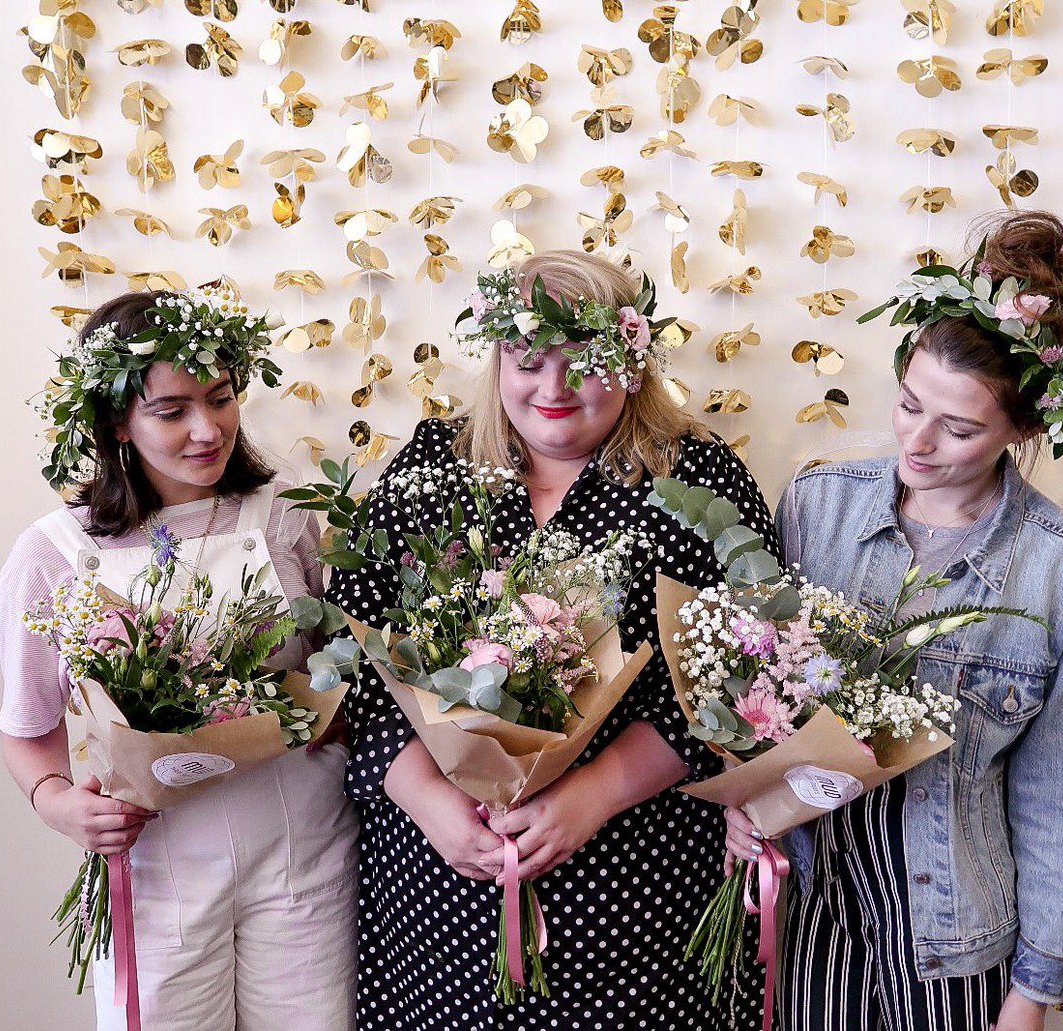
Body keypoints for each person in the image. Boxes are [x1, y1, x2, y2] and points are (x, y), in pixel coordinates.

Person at [326, 250, 782, 1029]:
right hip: (440, 891)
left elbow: (742, 677)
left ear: (633, 363)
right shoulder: (433, 463)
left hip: (635, 884)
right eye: (527, 360)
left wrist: (591, 795)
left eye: (584, 364)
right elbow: (352, 650)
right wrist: (432, 802)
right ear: (497, 356)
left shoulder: (700, 476)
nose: (552, 388)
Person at [723, 211, 1063, 1030]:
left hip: (952, 945)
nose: (918, 440)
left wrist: (1032, 997)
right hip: (806, 915)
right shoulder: (815, 505)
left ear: (1024, 428)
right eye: (910, 405)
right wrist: (747, 802)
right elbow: (758, 697)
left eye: (960, 427)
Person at [0, 284, 357, 1031]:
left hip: (303, 843)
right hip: (155, 861)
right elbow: (27, 727)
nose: (207, 428)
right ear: (117, 423)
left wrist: (329, 720)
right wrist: (63, 805)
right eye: (172, 411)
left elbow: (345, 667)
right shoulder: (53, 555)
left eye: (221, 397)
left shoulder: (286, 515)